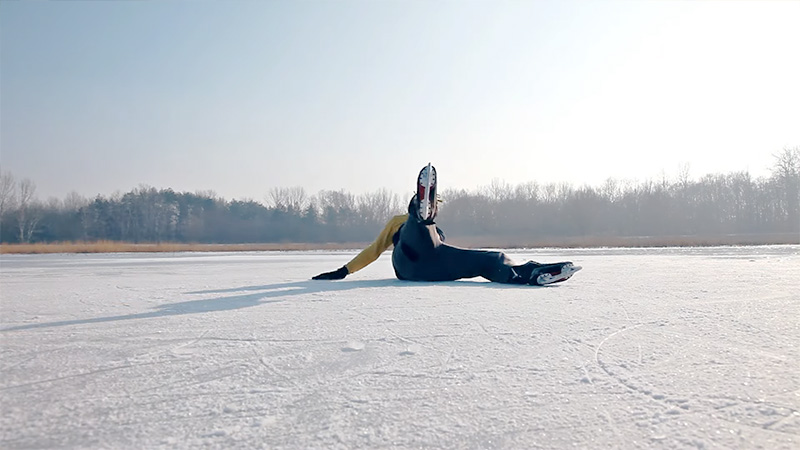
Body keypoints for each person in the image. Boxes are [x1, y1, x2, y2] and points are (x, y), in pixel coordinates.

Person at [312, 164, 581, 285]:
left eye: (434, 203)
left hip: (429, 267)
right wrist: (344, 270)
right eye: (432, 203)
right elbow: (374, 249)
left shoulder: (436, 231)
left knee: (492, 258)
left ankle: (529, 275)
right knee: (415, 227)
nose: (437, 206)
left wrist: (532, 271)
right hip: (409, 260)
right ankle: (419, 217)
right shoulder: (399, 223)